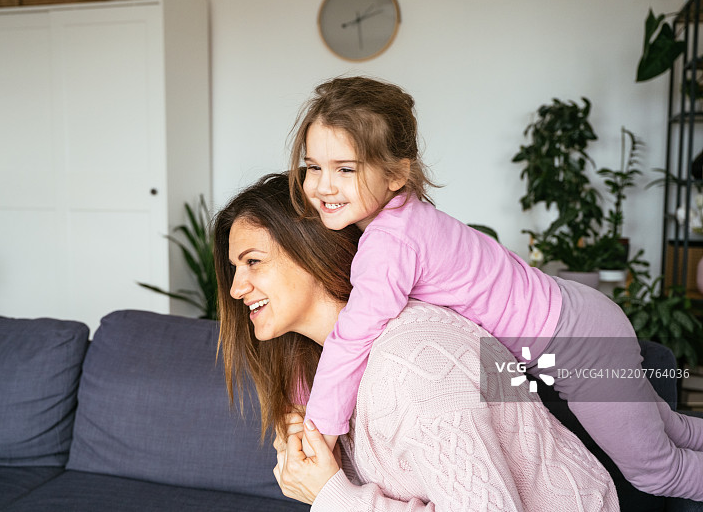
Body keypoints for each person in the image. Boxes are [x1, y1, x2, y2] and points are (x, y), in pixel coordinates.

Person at [287, 75, 703, 501]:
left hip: (575, 341)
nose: (322, 185)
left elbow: (353, 336)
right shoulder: (405, 220)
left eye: (345, 169)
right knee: (672, 427)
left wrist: (321, 426)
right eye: (314, 166)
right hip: (577, 317)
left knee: (658, 473)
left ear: (396, 175)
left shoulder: (389, 244)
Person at [213, 171, 618, 511]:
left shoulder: (413, 362)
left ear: (312, 252)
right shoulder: (329, 370)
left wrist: (332, 496)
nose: (235, 289)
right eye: (234, 268)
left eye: (253, 261)